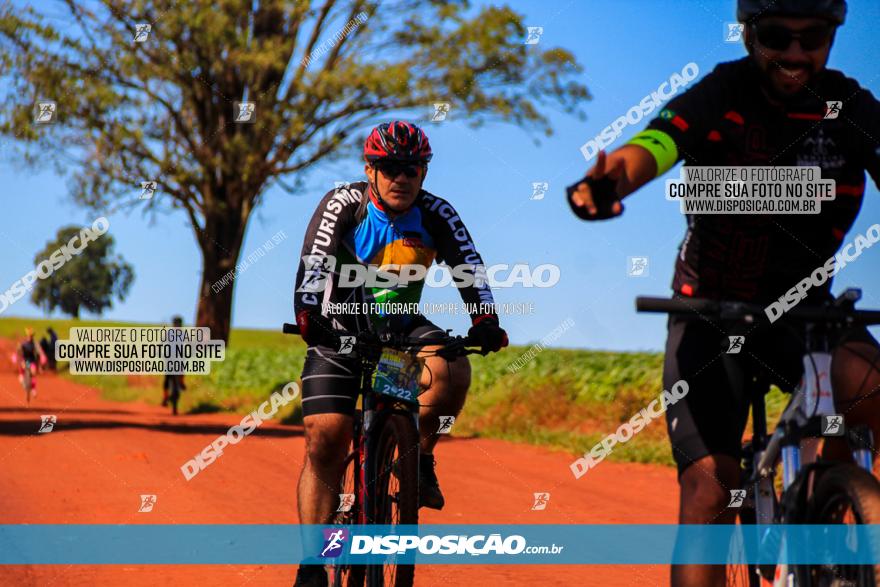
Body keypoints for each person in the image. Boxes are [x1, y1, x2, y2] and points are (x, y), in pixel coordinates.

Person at [567, 1, 880, 585]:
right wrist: (611, 183)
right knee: (710, 488)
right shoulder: (722, 94)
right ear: (748, 34)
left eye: (811, 37)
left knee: (871, 391)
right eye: (775, 36)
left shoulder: (849, 106)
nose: (793, 53)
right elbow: (657, 143)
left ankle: (825, 500)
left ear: (833, 36)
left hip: (806, 315)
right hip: (711, 314)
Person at [292, 121, 508, 586]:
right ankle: (313, 562)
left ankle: (418, 458)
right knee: (326, 436)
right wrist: (308, 312)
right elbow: (313, 259)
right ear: (369, 168)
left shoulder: (436, 214)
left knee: (450, 367)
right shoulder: (343, 204)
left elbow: (469, 266)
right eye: (389, 167)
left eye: (412, 168)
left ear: (424, 172)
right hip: (339, 329)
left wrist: (485, 320)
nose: (401, 177)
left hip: (399, 334)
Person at [162, 315, 186, 408]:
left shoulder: (183, 334)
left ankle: (181, 381)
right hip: (169, 358)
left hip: (179, 357)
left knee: (182, 370)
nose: (177, 326)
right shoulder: (169, 334)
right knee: (167, 379)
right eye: (176, 324)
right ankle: (165, 396)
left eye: (178, 324)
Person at [18, 328, 39, 394]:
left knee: (33, 373)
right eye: (29, 336)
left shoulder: (34, 344)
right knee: (24, 365)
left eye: (31, 336)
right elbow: (19, 351)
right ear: (27, 336)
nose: (30, 337)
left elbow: (37, 352)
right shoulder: (24, 344)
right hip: (26, 361)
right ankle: (21, 375)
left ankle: (33, 389)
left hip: (32, 361)